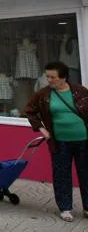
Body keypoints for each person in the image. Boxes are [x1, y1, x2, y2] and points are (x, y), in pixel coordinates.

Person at [24, 61, 88, 222]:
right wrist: (42, 129)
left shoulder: (81, 91)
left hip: (84, 140)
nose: (49, 80)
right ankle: (65, 208)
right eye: (47, 76)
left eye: (52, 77)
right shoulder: (43, 94)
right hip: (59, 142)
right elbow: (29, 111)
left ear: (64, 77)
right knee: (61, 175)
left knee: (86, 174)